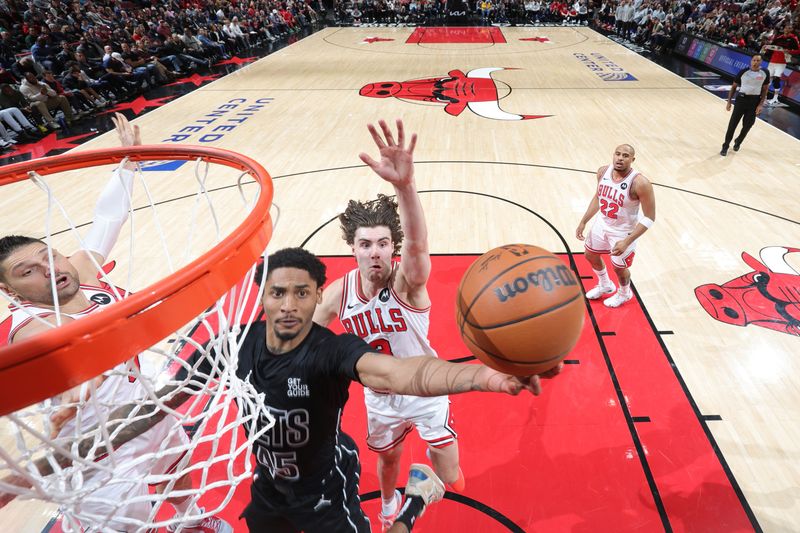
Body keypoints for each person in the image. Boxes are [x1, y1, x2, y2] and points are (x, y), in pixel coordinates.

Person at [0, 114, 232, 533]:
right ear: (13, 293)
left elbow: (107, 222)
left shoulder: (82, 270)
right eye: (27, 271)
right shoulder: (29, 326)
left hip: (147, 406)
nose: (49, 269)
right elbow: (69, 368)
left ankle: (190, 521)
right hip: (96, 445)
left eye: (48, 254)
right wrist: (75, 395)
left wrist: (126, 166)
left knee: (176, 461)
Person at [313, 119, 465, 530]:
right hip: (380, 397)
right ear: (353, 248)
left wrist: (405, 187)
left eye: (383, 243)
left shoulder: (407, 282)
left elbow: (418, 245)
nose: (375, 252)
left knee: (453, 477)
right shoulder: (337, 295)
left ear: (392, 247)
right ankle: (386, 505)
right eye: (366, 244)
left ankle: (424, 487)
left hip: (425, 387)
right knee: (387, 459)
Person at [575, 144, 656, 308]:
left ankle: (624, 293)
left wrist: (627, 241)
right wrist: (584, 221)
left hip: (624, 232)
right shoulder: (602, 172)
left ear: (632, 160)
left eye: (625, 155)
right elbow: (598, 197)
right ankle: (605, 284)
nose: (620, 158)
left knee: (619, 268)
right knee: (590, 255)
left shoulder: (640, 183)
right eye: (617, 154)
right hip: (602, 223)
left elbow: (649, 217)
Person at [721, 54, 769, 156]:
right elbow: (734, 87)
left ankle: (738, 141)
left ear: (761, 62)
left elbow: (765, 89)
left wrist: (760, 104)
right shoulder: (743, 72)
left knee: (748, 125)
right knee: (732, 124)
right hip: (741, 100)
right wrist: (729, 101)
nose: (755, 62)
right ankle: (725, 146)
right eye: (754, 60)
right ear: (751, 61)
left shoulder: (765, 73)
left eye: (758, 61)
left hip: (754, 101)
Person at [761, 24, 799, 106]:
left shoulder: (793, 39)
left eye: (789, 27)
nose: (787, 29)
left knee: (776, 80)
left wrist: (789, 52)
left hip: (782, 62)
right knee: (768, 80)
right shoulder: (779, 38)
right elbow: (772, 47)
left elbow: (798, 50)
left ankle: (775, 99)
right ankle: (764, 98)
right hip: (772, 61)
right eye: (786, 27)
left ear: (792, 29)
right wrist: (766, 47)